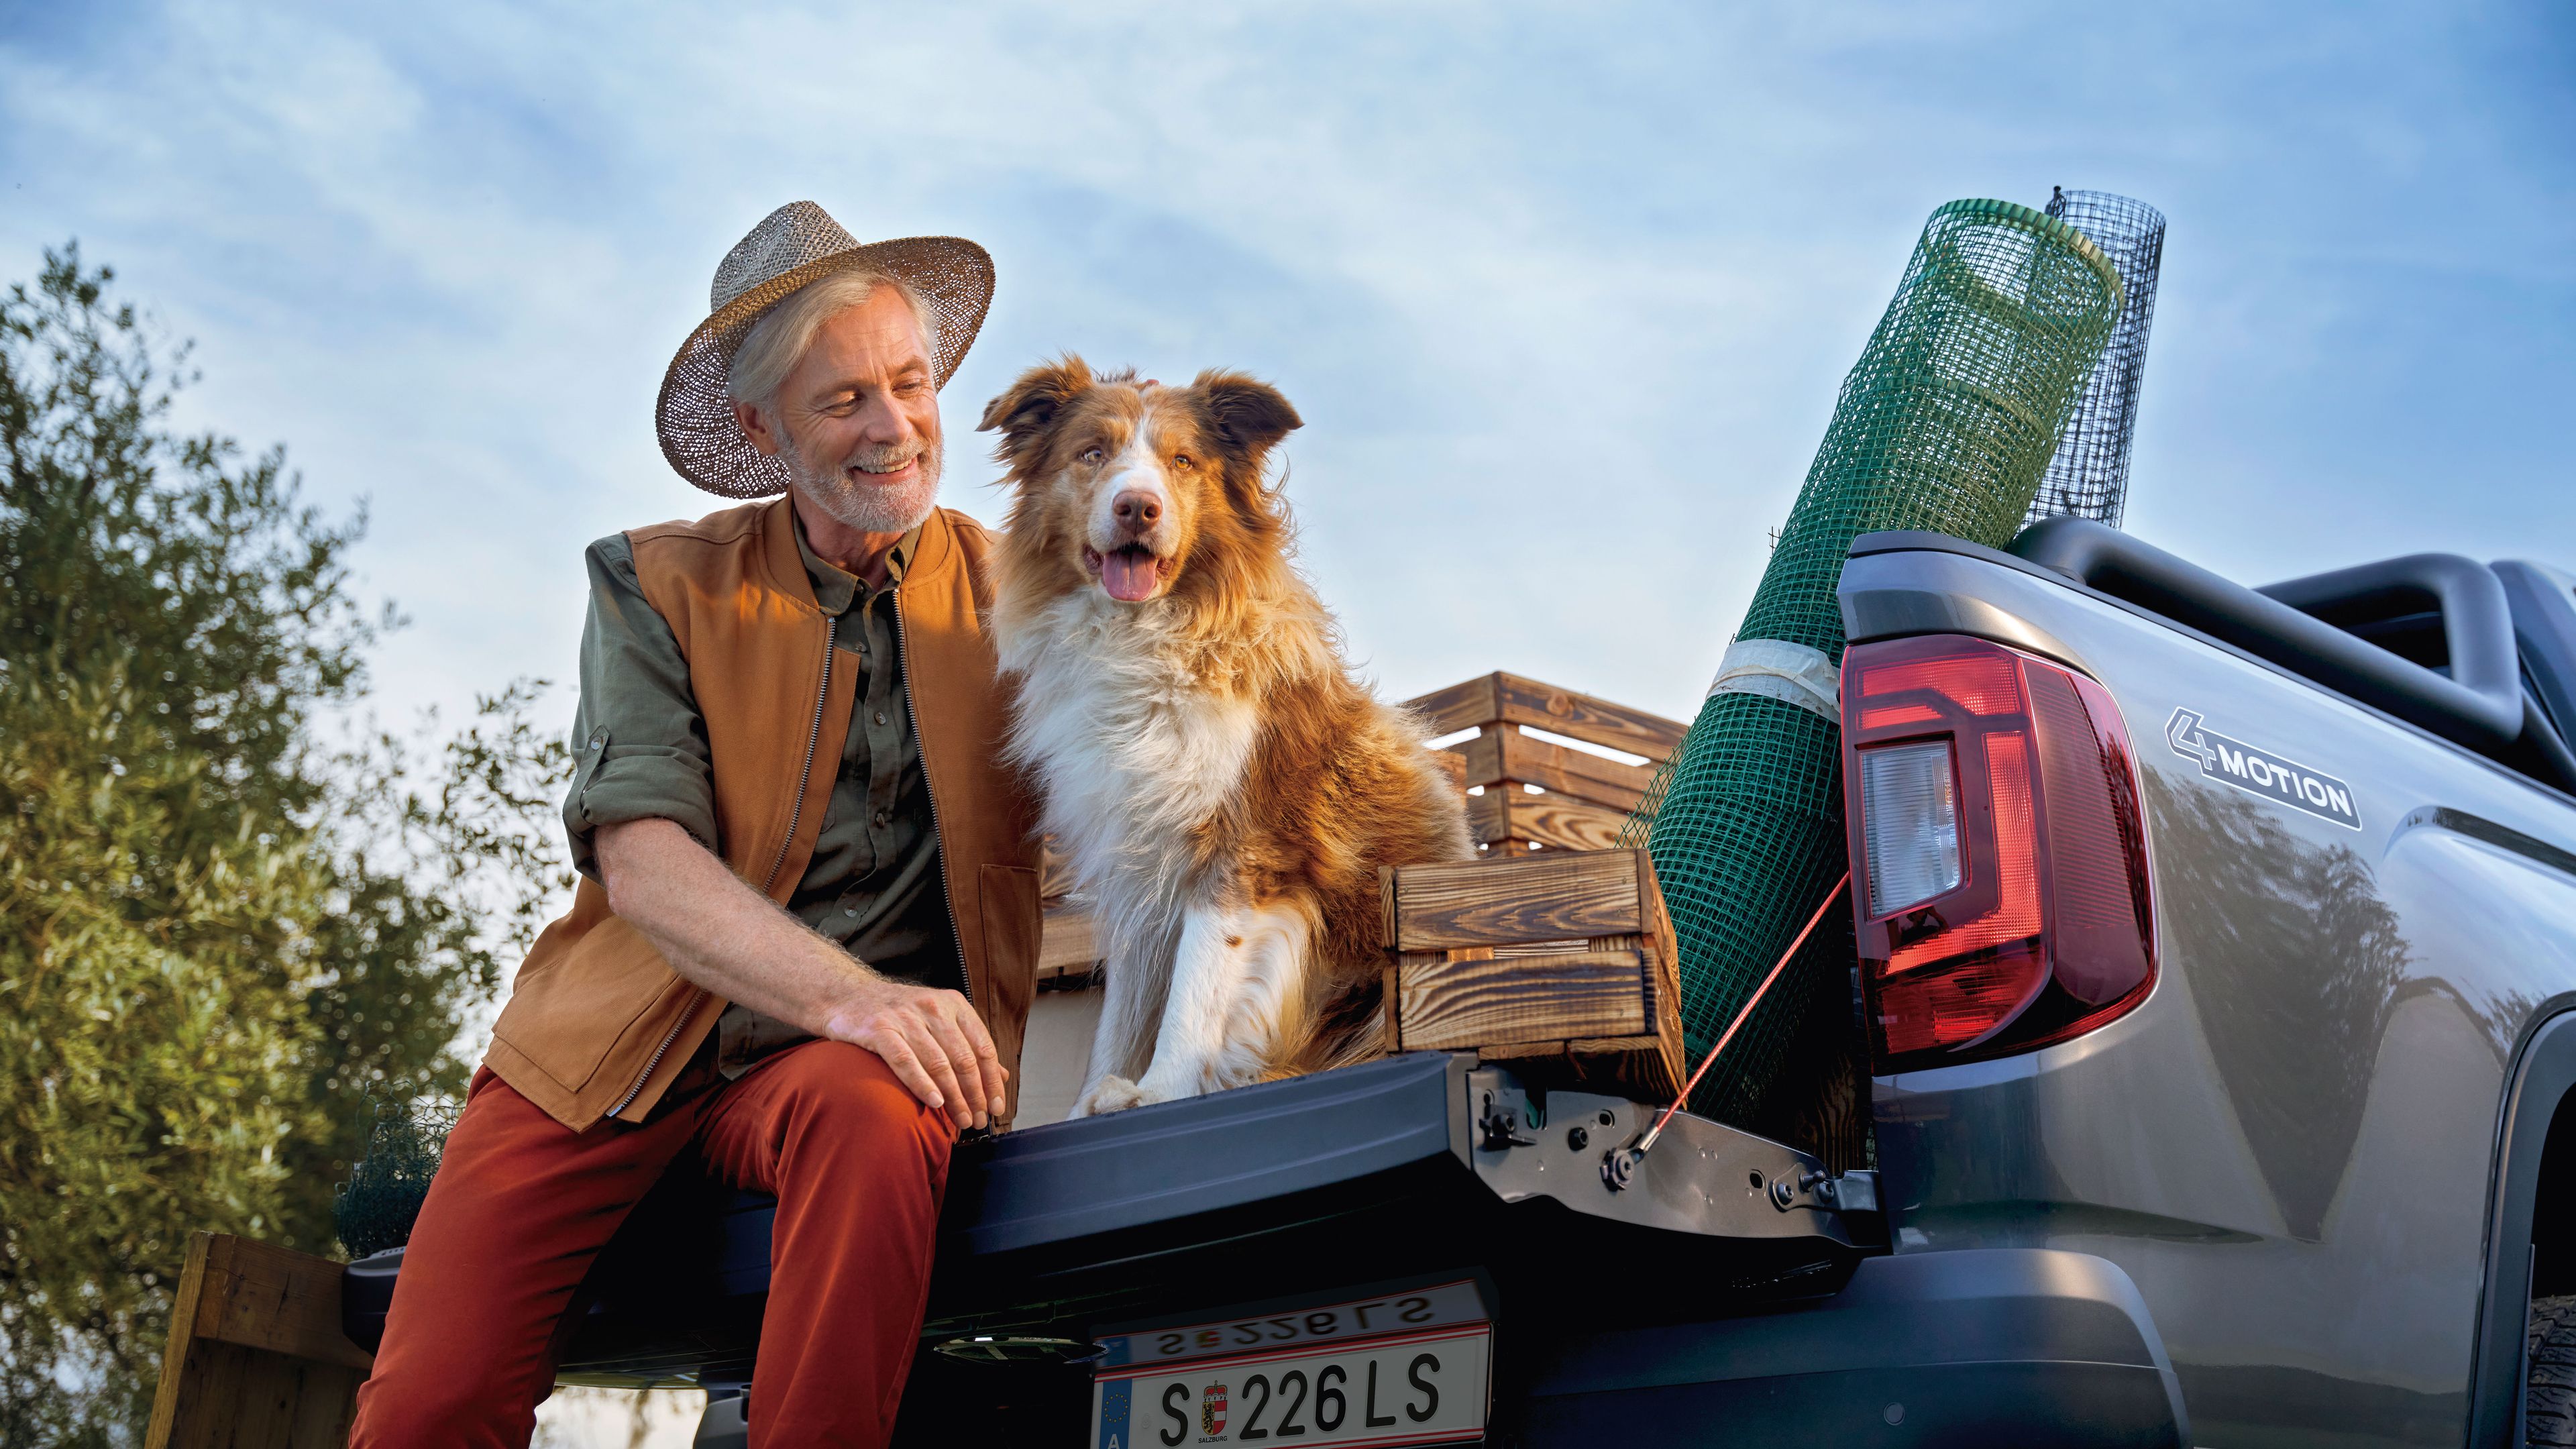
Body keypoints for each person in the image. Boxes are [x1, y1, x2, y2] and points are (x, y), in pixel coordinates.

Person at [350, 201, 1042, 1448]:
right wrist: (864, 998)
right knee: (428, 1403)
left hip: (823, 1082)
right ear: (761, 430)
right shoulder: (651, 581)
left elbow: (1157, 752)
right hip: (603, 1061)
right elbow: (645, 862)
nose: (894, 428)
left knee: (884, 1111)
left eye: (909, 382)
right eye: (844, 403)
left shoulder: (1023, 597)